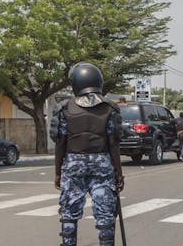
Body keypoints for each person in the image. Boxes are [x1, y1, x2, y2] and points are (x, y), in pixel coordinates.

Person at [50, 62, 124, 246]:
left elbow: (60, 144)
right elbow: (114, 145)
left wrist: (58, 172)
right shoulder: (110, 109)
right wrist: (119, 173)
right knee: (105, 215)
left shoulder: (64, 109)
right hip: (103, 165)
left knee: (69, 213)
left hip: (73, 165)